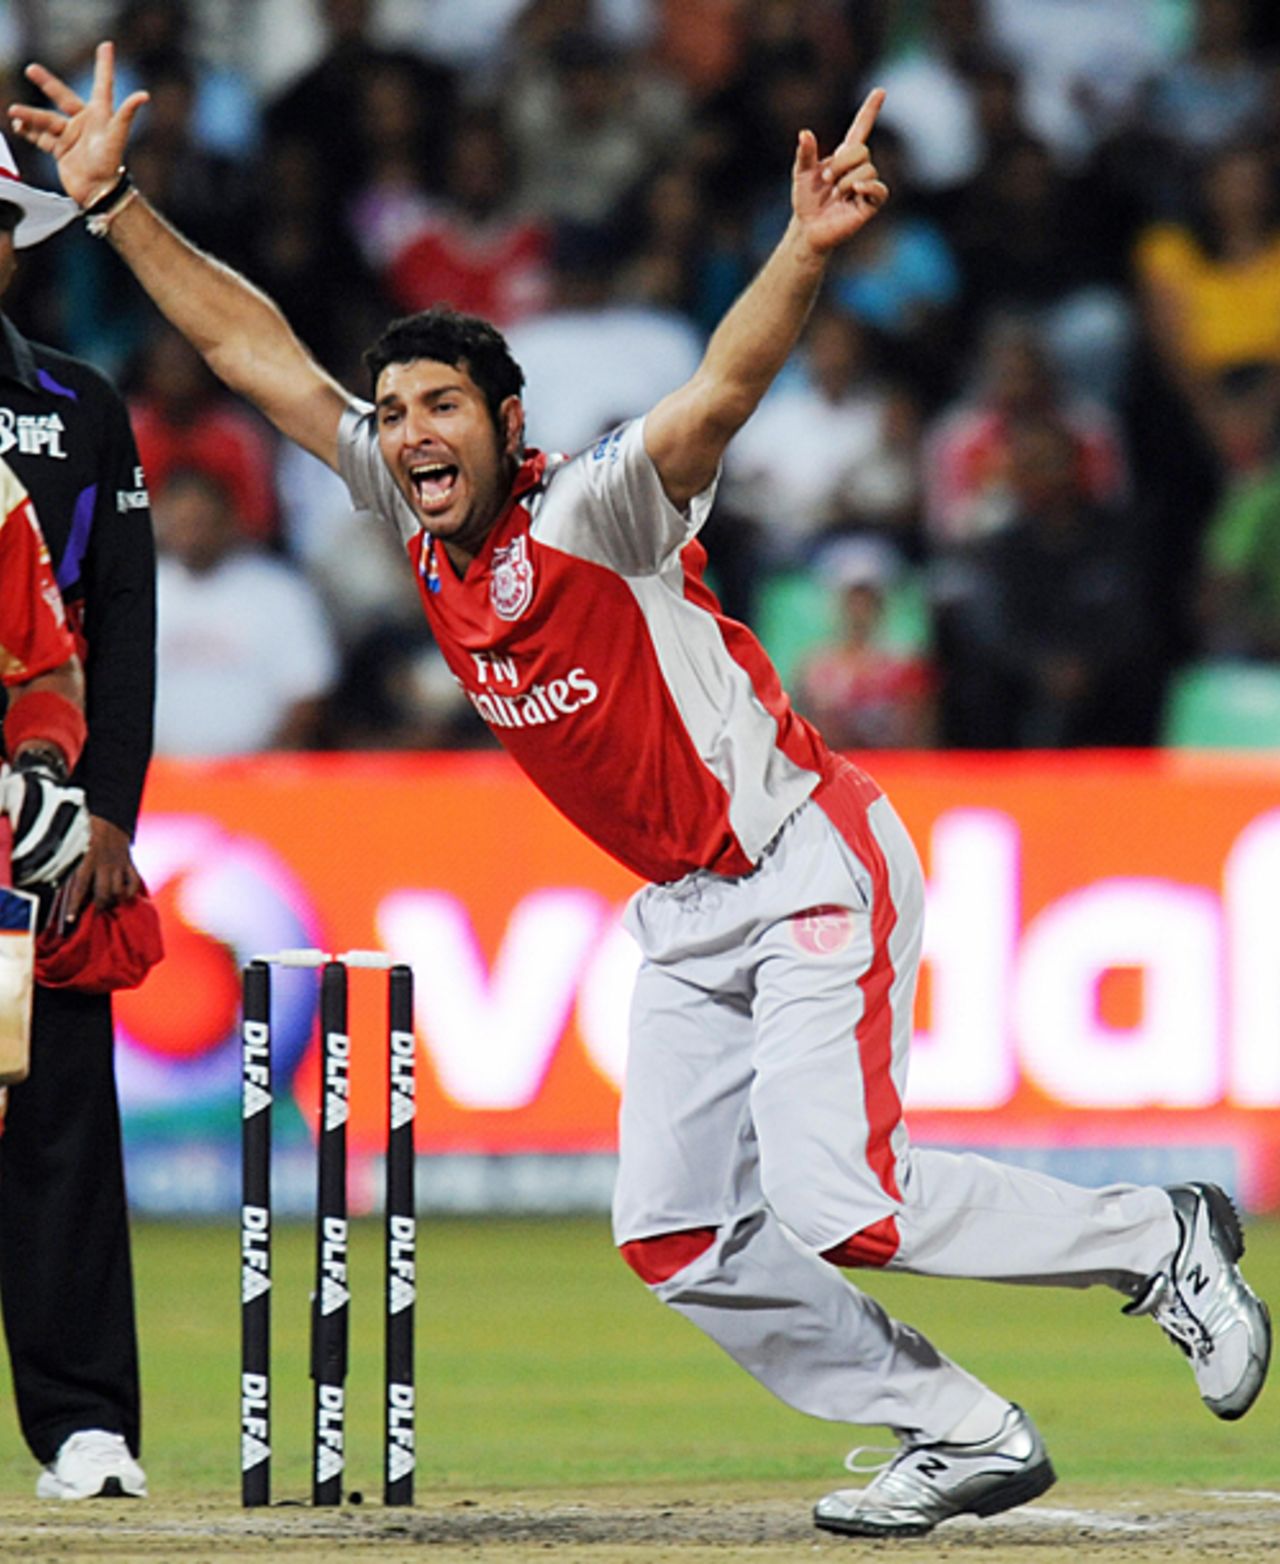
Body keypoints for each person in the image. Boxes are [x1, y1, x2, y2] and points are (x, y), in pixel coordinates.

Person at [17, 44, 1270, 1539]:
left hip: (805, 862)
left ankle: (1155, 1237)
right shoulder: (409, 513)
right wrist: (115, 207)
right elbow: (255, 353)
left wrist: (803, 251)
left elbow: (721, 390)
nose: (409, 434)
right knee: (676, 1232)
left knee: (846, 1203)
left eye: (442, 408)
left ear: (508, 423)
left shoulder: (595, 508)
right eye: (395, 411)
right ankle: (960, 1428)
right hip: (688, 909)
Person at [0, 124, 154, 1501]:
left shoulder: (73, 405)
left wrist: (107, 811)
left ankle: (86, 1424)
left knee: (53, 1119)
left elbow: (119, 626)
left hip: (22, 836)